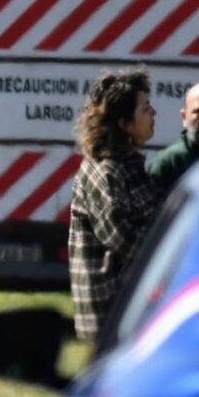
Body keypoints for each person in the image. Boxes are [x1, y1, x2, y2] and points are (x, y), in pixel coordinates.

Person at [69, 69, 160, 341]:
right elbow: (124, 240)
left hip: (130, 316)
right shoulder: (104, 173)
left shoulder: (129, 166)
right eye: (145, 109)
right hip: (112, 318)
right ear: (125, 124)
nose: (153, 113)